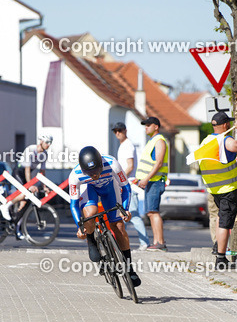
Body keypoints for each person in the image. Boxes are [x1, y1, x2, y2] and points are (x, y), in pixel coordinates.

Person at [69, 146, 141, 287]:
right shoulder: (75, 175)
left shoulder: (112, 163)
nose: (94, 175)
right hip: (89, 190)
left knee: (119, 226)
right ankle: (91, 240)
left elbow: (126, 188)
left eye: (96, 171)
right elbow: (73, 204)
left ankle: (129, 268)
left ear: (101, 164)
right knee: (90, 213)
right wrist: (80, 226)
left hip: (110, 189)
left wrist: (124, 210)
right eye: (90, 173)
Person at [197, 112, 237, 268]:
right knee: (225, 223)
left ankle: (218, 245)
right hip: (227, 188)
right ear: (226, 125)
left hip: (215, 189)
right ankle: (221, 258)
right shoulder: (225, 140)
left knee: (221, 218)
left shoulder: (207, 140)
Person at [131, 116, 168, 250]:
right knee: (151, 212)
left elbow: (158, 163)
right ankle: (157, 242)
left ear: (156, 127)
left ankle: (160, 242)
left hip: (155, 181)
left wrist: (146, 179)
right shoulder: (152, 141)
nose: (146, 127)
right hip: (151, 181)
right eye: (145, 125)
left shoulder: (159, 141)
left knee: (154, 211)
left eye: (148, 125)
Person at [112, 122, 149, 250]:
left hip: (129, 185)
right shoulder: (123, 145)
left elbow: (130, 166)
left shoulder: (127, 145)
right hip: (124, 184)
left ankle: (145, 243)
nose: (117, 133)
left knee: (132, 214)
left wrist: (119, 179)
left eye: (119, 130)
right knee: (123, 215)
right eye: (115, 131)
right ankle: (121, 241)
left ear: (125, 131)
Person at [11, 134, 52, 217]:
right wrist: (30, 185)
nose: (49, 145)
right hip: (18, 172)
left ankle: (16, 225)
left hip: (26, 175)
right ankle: (6, 205)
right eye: (47, 142)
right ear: (41, 141)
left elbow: (42, 172)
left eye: (50, 142)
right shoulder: (31, 149)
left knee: (24, 202)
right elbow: (27, 170)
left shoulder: (44, 155)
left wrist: (44, 187)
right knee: (25, 193)